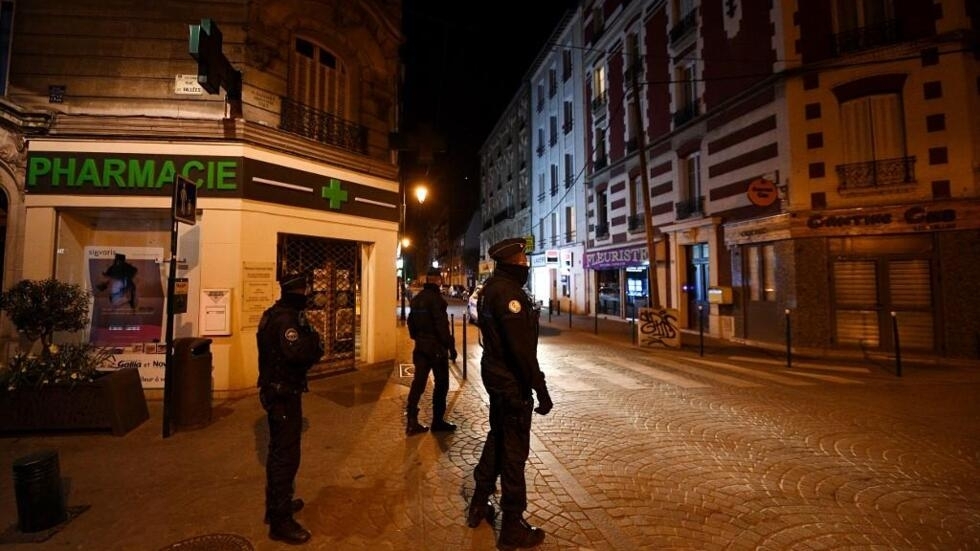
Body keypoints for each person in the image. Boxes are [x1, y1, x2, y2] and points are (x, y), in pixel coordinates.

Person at [467, 237, 552, 549]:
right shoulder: (509, 294)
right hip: (511, 382)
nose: (526, 264)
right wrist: (540, 389)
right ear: (514, 262)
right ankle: (512, 525)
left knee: (498, 439)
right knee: (514, 451)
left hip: (495, 377)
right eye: (523, 259)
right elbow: (521, 351)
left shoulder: (490, 289)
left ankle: (478, 502)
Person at [256, 271, 324, 545]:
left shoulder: (276, 314)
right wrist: (315, 344)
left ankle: (277, 505)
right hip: (282, 393)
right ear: (299, 290)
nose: (308, 294)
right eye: (306, 289)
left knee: (279, 452)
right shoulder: (286, 320)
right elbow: (300, 352)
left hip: (281, 391)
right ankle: (280, 522)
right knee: (286, 455)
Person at [406, 267, 459, 435]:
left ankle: (411, 421)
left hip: (421, 348)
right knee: (441, 384)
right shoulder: (437, 300)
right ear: (436, 280)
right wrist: (451, 347)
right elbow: (442, 327)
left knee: (418, 383)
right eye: (440, 278)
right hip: (436, 349)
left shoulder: (417, 299)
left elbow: (410, 323)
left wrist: (418, 338)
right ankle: (437, 421)